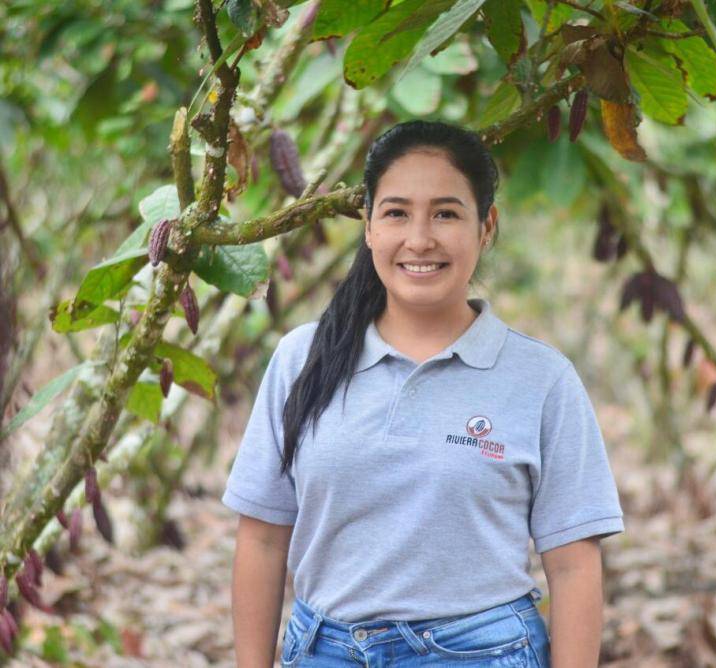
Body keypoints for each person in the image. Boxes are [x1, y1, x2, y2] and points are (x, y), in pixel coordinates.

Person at [222, 120, 626, 667]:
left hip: (483, 653)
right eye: (396, 213)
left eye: (445, 213)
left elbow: (575, 566)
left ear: (486, 228)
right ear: (367, 227)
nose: (419, 239)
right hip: (325, 652)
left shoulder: (542, 379)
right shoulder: (304, 359)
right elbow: (264, 539)